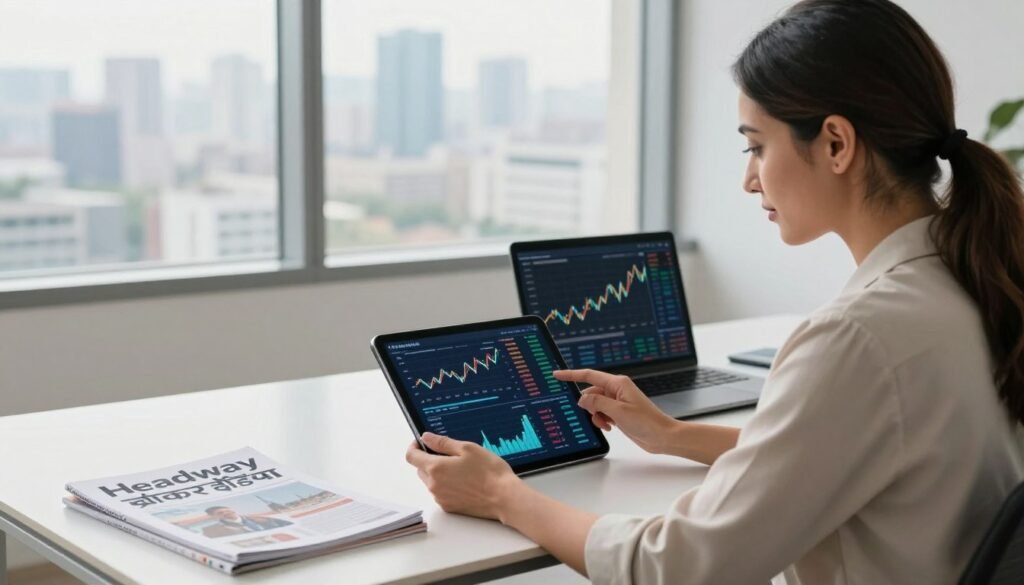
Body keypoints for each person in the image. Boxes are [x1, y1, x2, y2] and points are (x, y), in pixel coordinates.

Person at [405, 1, 1024, 583]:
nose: (749, 179)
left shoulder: (858, 337)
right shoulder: (977, 281)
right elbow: (847, 454)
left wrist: (503, 495)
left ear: (837, 144)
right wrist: (673, 436)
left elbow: (679, 566)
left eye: (757, 146)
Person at [201, 505, 293, 538]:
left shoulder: (261, 518)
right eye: (220, 513)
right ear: (214, 517)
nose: (226, 513)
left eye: (227, 510)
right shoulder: (212, 530)